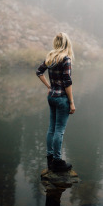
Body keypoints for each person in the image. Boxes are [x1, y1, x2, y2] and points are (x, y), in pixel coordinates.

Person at [36, 32, 76, 172]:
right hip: (62, 98)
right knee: (59, 130)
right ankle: (57, 161)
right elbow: (67, 82)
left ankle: (50, 157)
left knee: (51, 128)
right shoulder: (66, 59)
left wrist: (49, 87)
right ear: (67, 43)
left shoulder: (50, 57)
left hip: (51, 97)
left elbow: (39, 72)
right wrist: (71, 102)